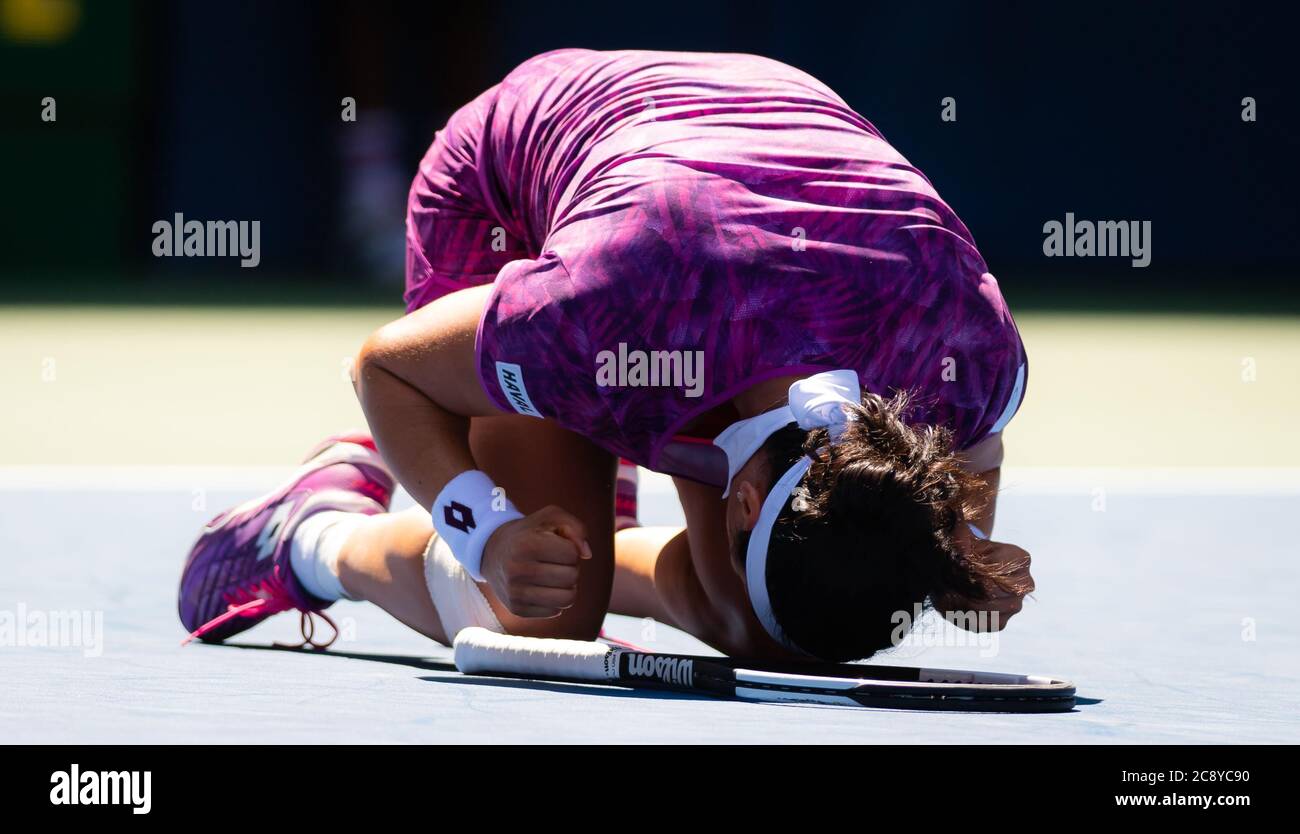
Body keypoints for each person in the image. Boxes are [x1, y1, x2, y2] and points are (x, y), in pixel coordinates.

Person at [179, 49, 1033, 662]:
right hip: (515, 190)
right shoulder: (603, 310)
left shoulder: (961, 352)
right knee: (540, 621)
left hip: (734, 146)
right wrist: (486, 532)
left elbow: (977, 446)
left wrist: (957, 547)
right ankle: (311, 535)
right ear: (741, 500)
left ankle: (582, 512)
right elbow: (385, 369)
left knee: (753, 632)